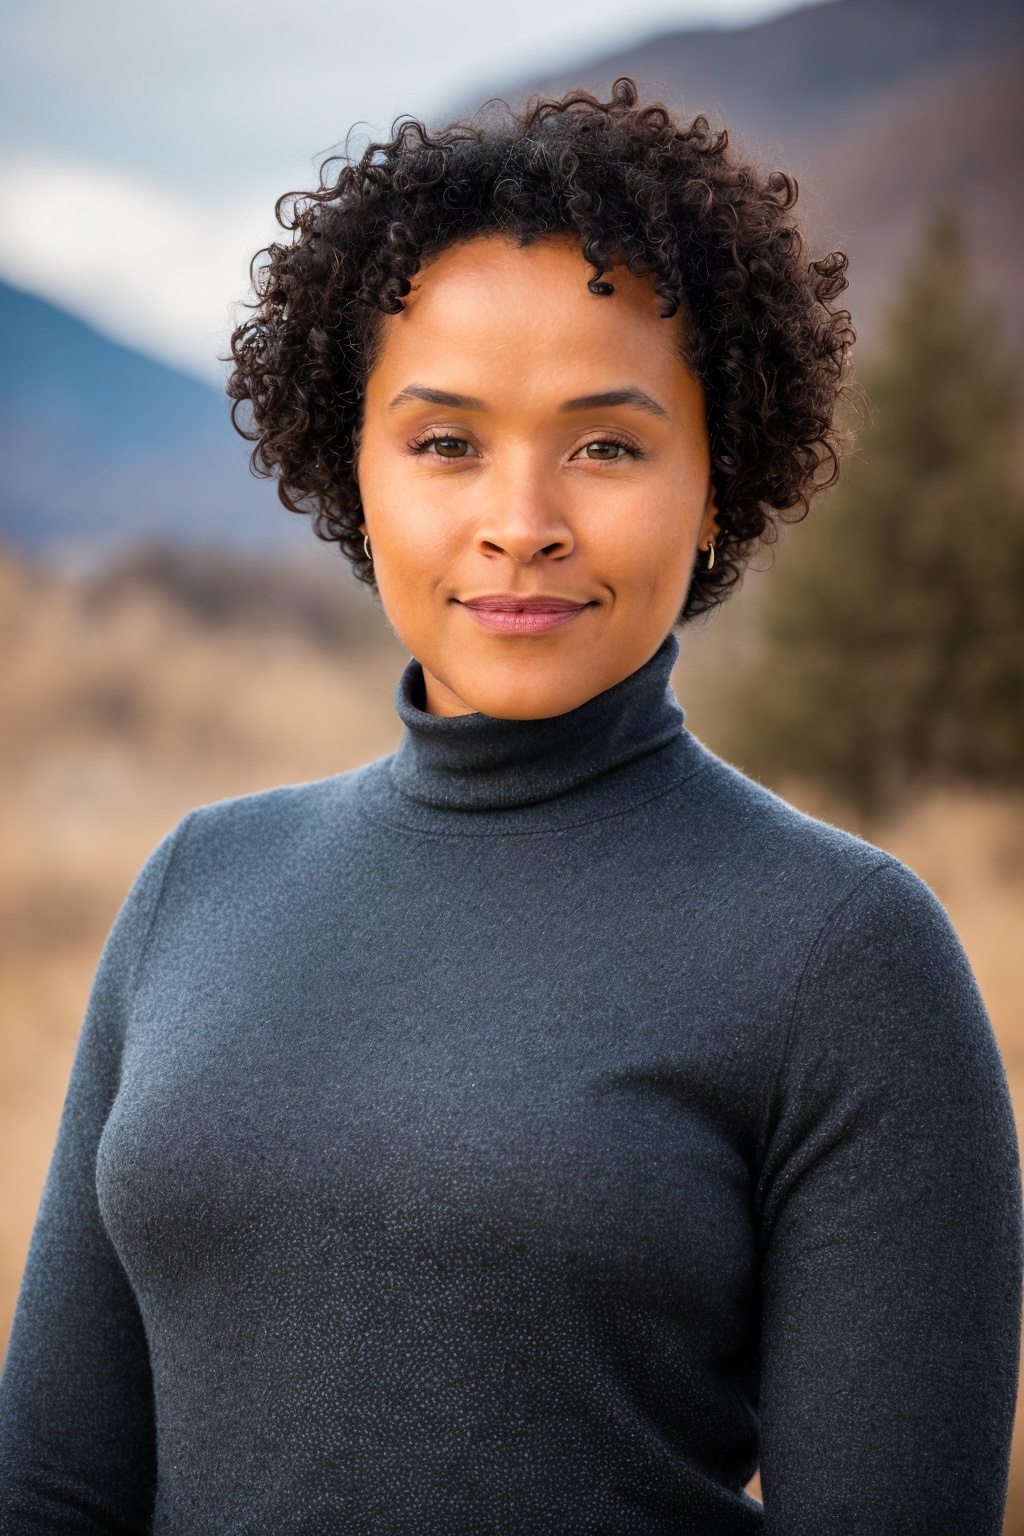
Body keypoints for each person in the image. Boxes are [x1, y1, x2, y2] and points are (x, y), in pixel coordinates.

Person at [0, 79, 1019, 1535]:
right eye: (444, 441)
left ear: (717, 483)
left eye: (606, 443)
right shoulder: (196, 888)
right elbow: (49, 1483)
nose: (520, 519)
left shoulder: (848, 956)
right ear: (352, 469)